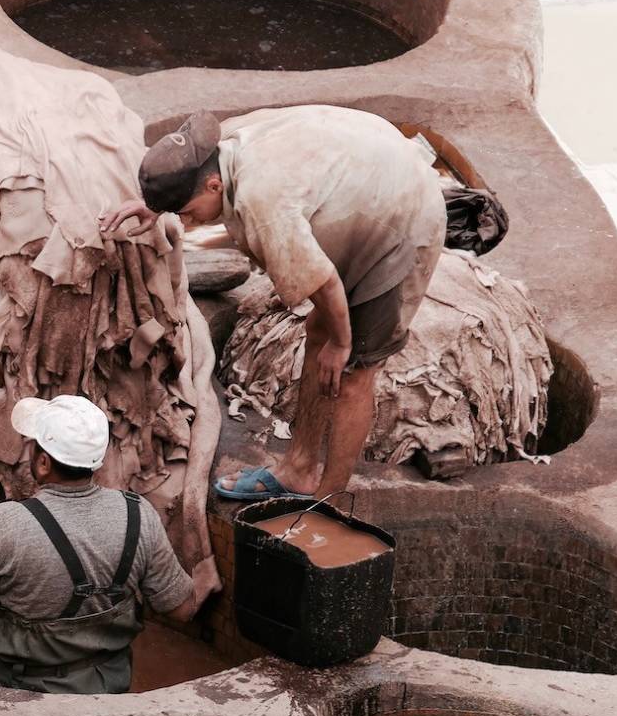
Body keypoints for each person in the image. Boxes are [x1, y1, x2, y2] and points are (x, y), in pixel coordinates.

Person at [101, 105, 502, 501]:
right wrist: (156, 206)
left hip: (403, 215)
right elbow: (320, 295)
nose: (185, 224)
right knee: (318, 331)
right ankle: (299, 469)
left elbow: (324, 283)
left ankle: (331, 500)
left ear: (213, 187)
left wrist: (341, 345)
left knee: (354, 371)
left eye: (186, 212)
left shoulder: (262, 203)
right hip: (365, 175)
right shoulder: (222, 148)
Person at [0, 394, 201, 695]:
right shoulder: (139, 515)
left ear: (44, 463)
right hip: (108, 691)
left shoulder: (4, 525)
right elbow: (184, 608)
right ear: (96, 461)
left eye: (33, 446)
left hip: (22, 695)